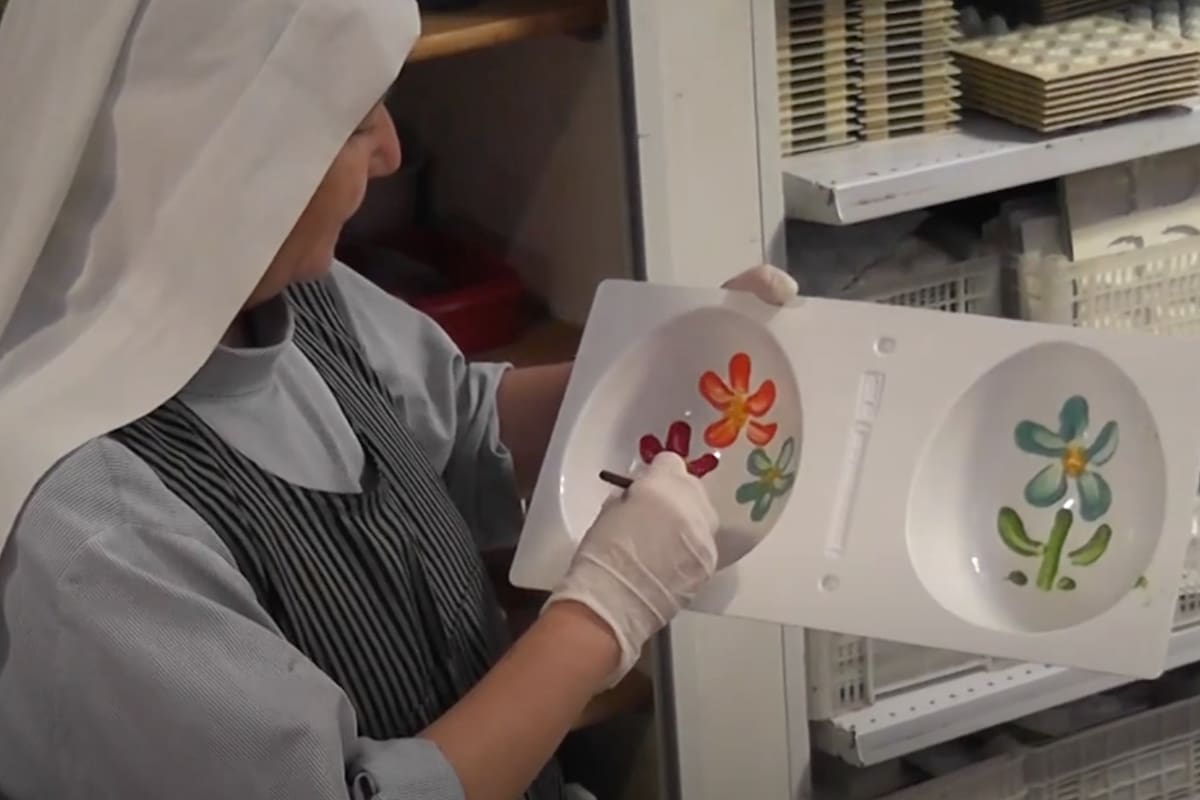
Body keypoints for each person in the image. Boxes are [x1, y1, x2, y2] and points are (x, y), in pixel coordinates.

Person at [0, 1, 798, 799]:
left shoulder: (275, 290)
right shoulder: (94, 531)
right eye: (351, 123)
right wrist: (601, 617)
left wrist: (662, 372)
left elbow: (458, 425)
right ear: (215, 161)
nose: (390, 152)